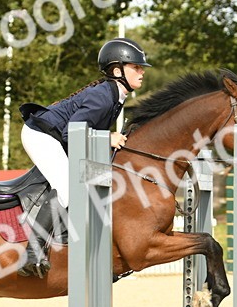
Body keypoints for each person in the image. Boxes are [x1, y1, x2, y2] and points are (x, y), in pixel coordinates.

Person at [16, 37, 151, 276]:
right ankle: (32, 251)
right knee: (67, 187)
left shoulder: (114, 95)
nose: (142, 72)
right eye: (136, 67)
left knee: (97, 177)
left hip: (57, 137)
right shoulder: (103, 96)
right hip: (41, 135)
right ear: (118, 70)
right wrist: (106, 138)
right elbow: (72, 133)